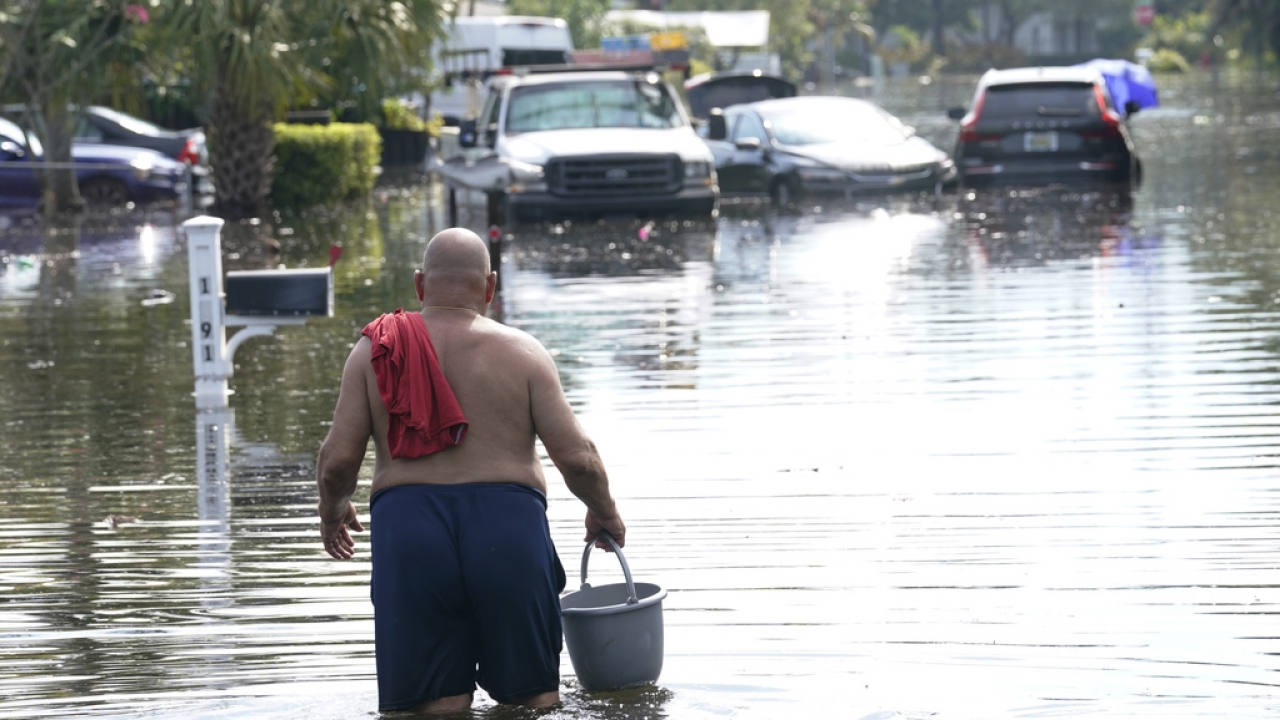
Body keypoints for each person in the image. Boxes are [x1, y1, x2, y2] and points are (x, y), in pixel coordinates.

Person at [316, 227, 625, 714]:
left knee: (434, 710)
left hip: (410, 530)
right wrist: (604, 512)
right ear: (490, 287)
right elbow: (579, 459)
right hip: (508, 527)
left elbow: (337, 464)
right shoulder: (524, 353)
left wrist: (332, 511)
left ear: (420, 285)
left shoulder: (374, 353)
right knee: (534, 702)